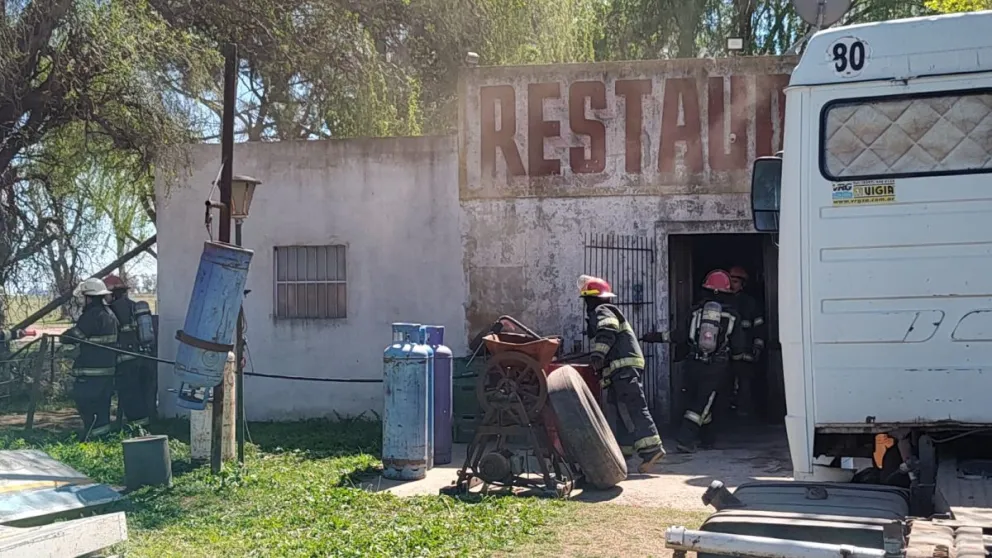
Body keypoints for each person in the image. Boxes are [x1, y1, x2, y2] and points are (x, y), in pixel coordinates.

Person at [642, 270, 745, 453]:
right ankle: (685, 439)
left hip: (693, 362)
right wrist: (737, 367)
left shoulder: (695, 312)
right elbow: (738, 347)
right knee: (702, 404)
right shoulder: (733, 315)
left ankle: (707, 439)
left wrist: (654, 337)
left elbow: (679, 336)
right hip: (716, 366)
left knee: (700, 400)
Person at [578, 274, 666, 473]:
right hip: (619, 369)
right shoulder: (605, 308)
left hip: (623, 367)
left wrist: (598, 354)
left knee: (634, 407)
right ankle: (623, 451)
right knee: (621, 410)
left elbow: (608, 329)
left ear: (591, 299)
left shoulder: (603, 310)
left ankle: (652, 449)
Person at [61, 278, 119, 439]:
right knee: (102, 407)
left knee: (86, 405)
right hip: (107, 372)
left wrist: (63, 336)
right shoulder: (110, 314)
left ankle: (91, 437)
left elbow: (72, 337)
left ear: (89, 297)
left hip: (91, 372)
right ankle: (102, 437)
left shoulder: (92, 315)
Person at [104, 274, 150, 429]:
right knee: (140, 391)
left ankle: (138, 429)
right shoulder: (133, 305)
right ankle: (143, 424)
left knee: (129, 393)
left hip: (125, 359)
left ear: (113, 293)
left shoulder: (113, 310)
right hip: (141, 356)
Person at [728, 266, 765, 420]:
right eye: (730, 281)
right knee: (725, 384)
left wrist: (758, 345)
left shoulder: (750, 303)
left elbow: (759, 326)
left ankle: (744, 416)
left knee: (745, 384)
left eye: (735, 281)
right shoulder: (722, 301)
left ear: (743, 284)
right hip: (725, 352)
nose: (731, 285)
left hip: (745, 351)